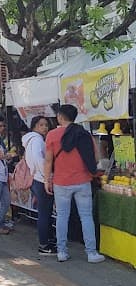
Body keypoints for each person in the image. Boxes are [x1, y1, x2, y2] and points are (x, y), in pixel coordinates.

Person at [44, 104, 105, 263]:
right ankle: (91, 253)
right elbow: (96, 158)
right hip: (83, 181)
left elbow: (48, 160)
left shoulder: (52, 135)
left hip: (61, 182)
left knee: (62, 217)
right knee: (86, 216)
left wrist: (46, 180)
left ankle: (62, 252)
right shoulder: (84, 134)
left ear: (60, 117)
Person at [23, 116, 55, 255]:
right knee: (44, 213)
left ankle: (48, 240)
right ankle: (44, 244)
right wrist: (47, 176)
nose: (45, 127)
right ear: (34, 126)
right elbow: (39, 160)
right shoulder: (36, 140)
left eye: (46, 125)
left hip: (37, 178)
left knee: (45, 212)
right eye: (41, 125)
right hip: (41, 179)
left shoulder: (31, 140)